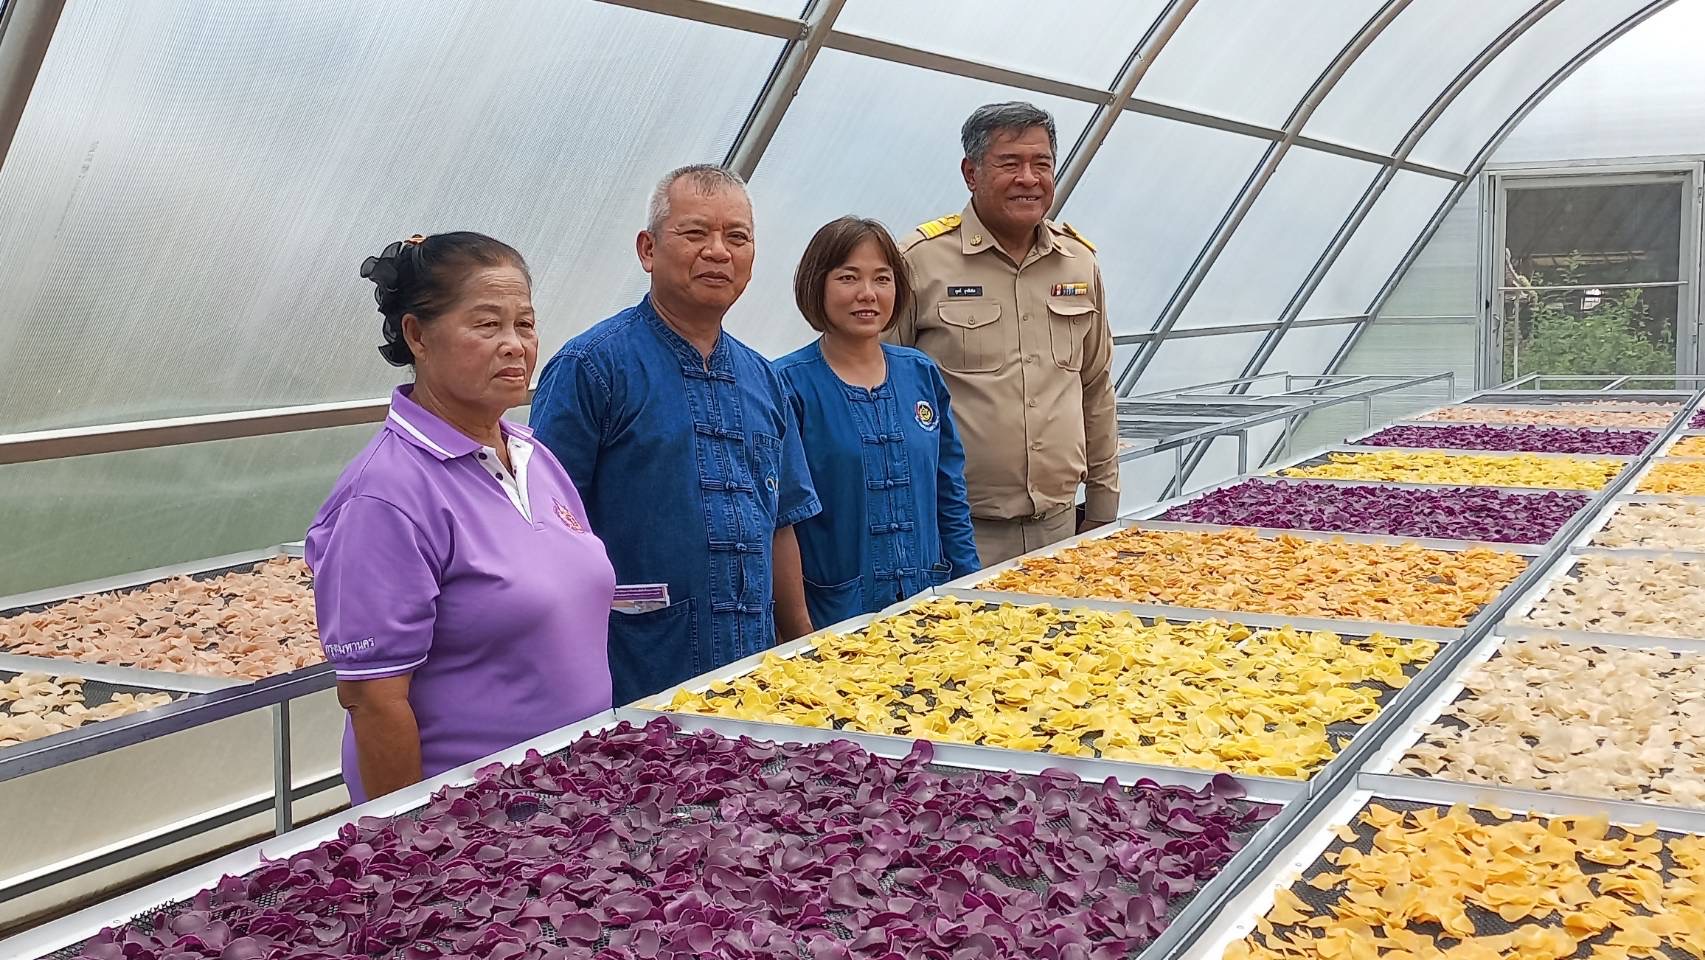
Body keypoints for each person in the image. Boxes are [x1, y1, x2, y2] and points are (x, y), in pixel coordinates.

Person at [306, 232, 615, 804]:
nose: (515, 346)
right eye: (486, 325)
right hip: (472, 831)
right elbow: (374, 700)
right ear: (417, 336)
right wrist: (410, 844)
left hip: (574, 800)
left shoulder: (532, 455)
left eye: (524, 324)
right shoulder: (386, 494)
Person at [530, 165, 820, 707]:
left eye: (737, 237)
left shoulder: (765, 379)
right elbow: (546, 531)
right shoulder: (592, 368)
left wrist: (800, 647)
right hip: (634, 668)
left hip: (751, 670)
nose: (718, 252)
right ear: (648, 249)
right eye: (694, 234)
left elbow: (782, 520)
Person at [888, 101, 1119, 566]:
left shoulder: (1079, 262)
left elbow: (1095, 390)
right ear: (970, 173)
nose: (1029, 178)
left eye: (1042, 163)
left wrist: (1102, 507)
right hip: (954, 530)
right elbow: (882, 393)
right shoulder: (920, 262)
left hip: (1061, 527)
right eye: (1009, 164)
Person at [774, 217, 980, 627]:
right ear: (818, 285)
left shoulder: (920, 374)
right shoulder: (787, 385)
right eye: (848, 277)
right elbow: (782, 523)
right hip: (834, 619)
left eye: (881, 279)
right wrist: (798, 631)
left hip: (930, 611)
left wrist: (971, 591)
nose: (867, 294)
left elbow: (949, 493)